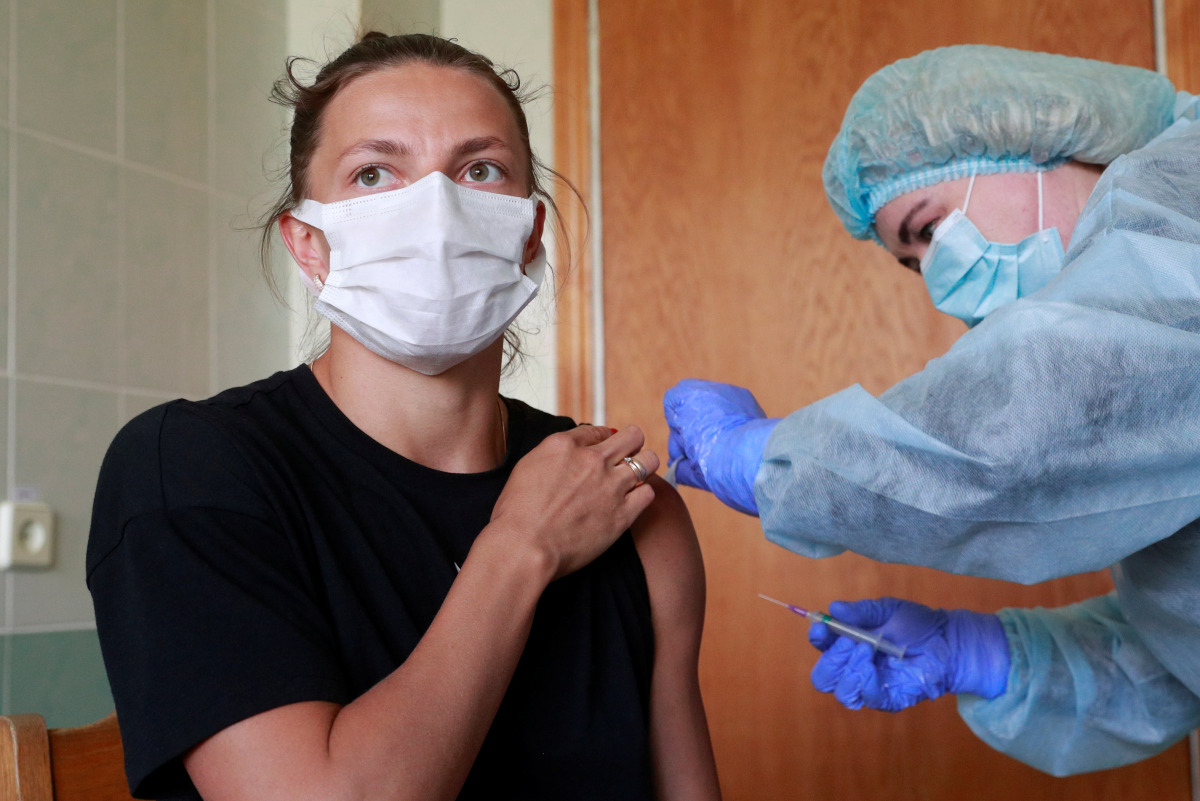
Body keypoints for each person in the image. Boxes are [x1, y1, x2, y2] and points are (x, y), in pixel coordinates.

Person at [87, 32, 721, 801]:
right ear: (309, 244)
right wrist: (521, 545)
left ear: (529, 233)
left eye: (479, 169)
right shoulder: (191, 467)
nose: (436, 210)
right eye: (375, 172)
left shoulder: (633, 508)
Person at [663, 44, 1200, 776]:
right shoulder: (1149, 420)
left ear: (1039, 136)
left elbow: (1029, 422)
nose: (941, 282)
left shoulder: (1186, 190)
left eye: (929, 228)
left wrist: (765, 459)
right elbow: (1175, 656)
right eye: (915, 264)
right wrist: (980, 653)